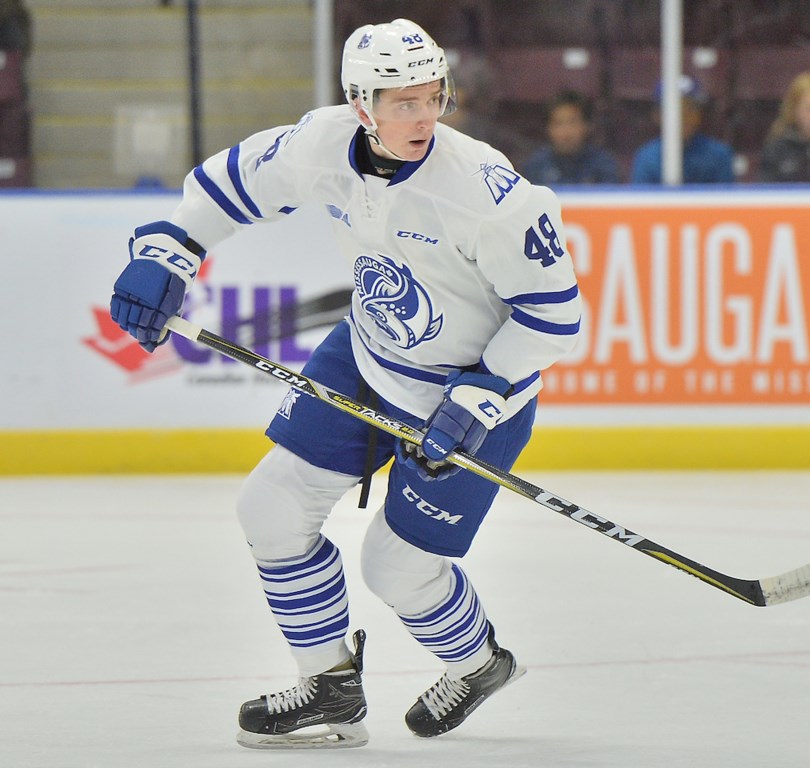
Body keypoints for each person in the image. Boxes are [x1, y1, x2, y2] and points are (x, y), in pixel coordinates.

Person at [108, 18, 581, 750]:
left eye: (434, 97)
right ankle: (329, 688)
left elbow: (557, 317)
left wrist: (481, 391)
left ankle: (480, 663)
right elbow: (223, 190)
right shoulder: (320, 144)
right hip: (366, 357)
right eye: (404, 102)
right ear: (362, 105)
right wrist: (170, 250)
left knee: (394, 568)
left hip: (473, 398)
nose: (424, 116)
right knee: (269, 509)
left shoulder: (489, 193)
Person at [630, 75, 734, 184]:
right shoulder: (647, 158)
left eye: (690, 109)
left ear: (699, 114)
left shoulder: (719, 155)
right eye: (676, 110)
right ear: (657, 115)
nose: (684, 117)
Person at [521, 90, 619, 186]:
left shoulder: (604, 165)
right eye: (559, 123)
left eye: (572, 123)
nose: (566, 133)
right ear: (548, 128)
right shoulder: (535, 166)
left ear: (587, 126)